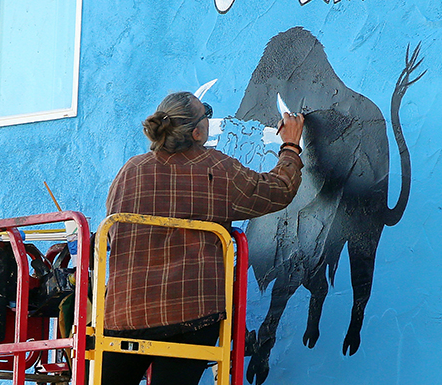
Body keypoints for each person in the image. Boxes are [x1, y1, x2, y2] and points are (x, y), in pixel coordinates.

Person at [102, 91, 304, 385]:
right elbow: (277, 191)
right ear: (198, 132)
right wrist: (290, 147)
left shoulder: (129, 171)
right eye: (206, 113)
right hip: (189, 312)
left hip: (126, 314)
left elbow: (111, 235)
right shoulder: (215, 169)